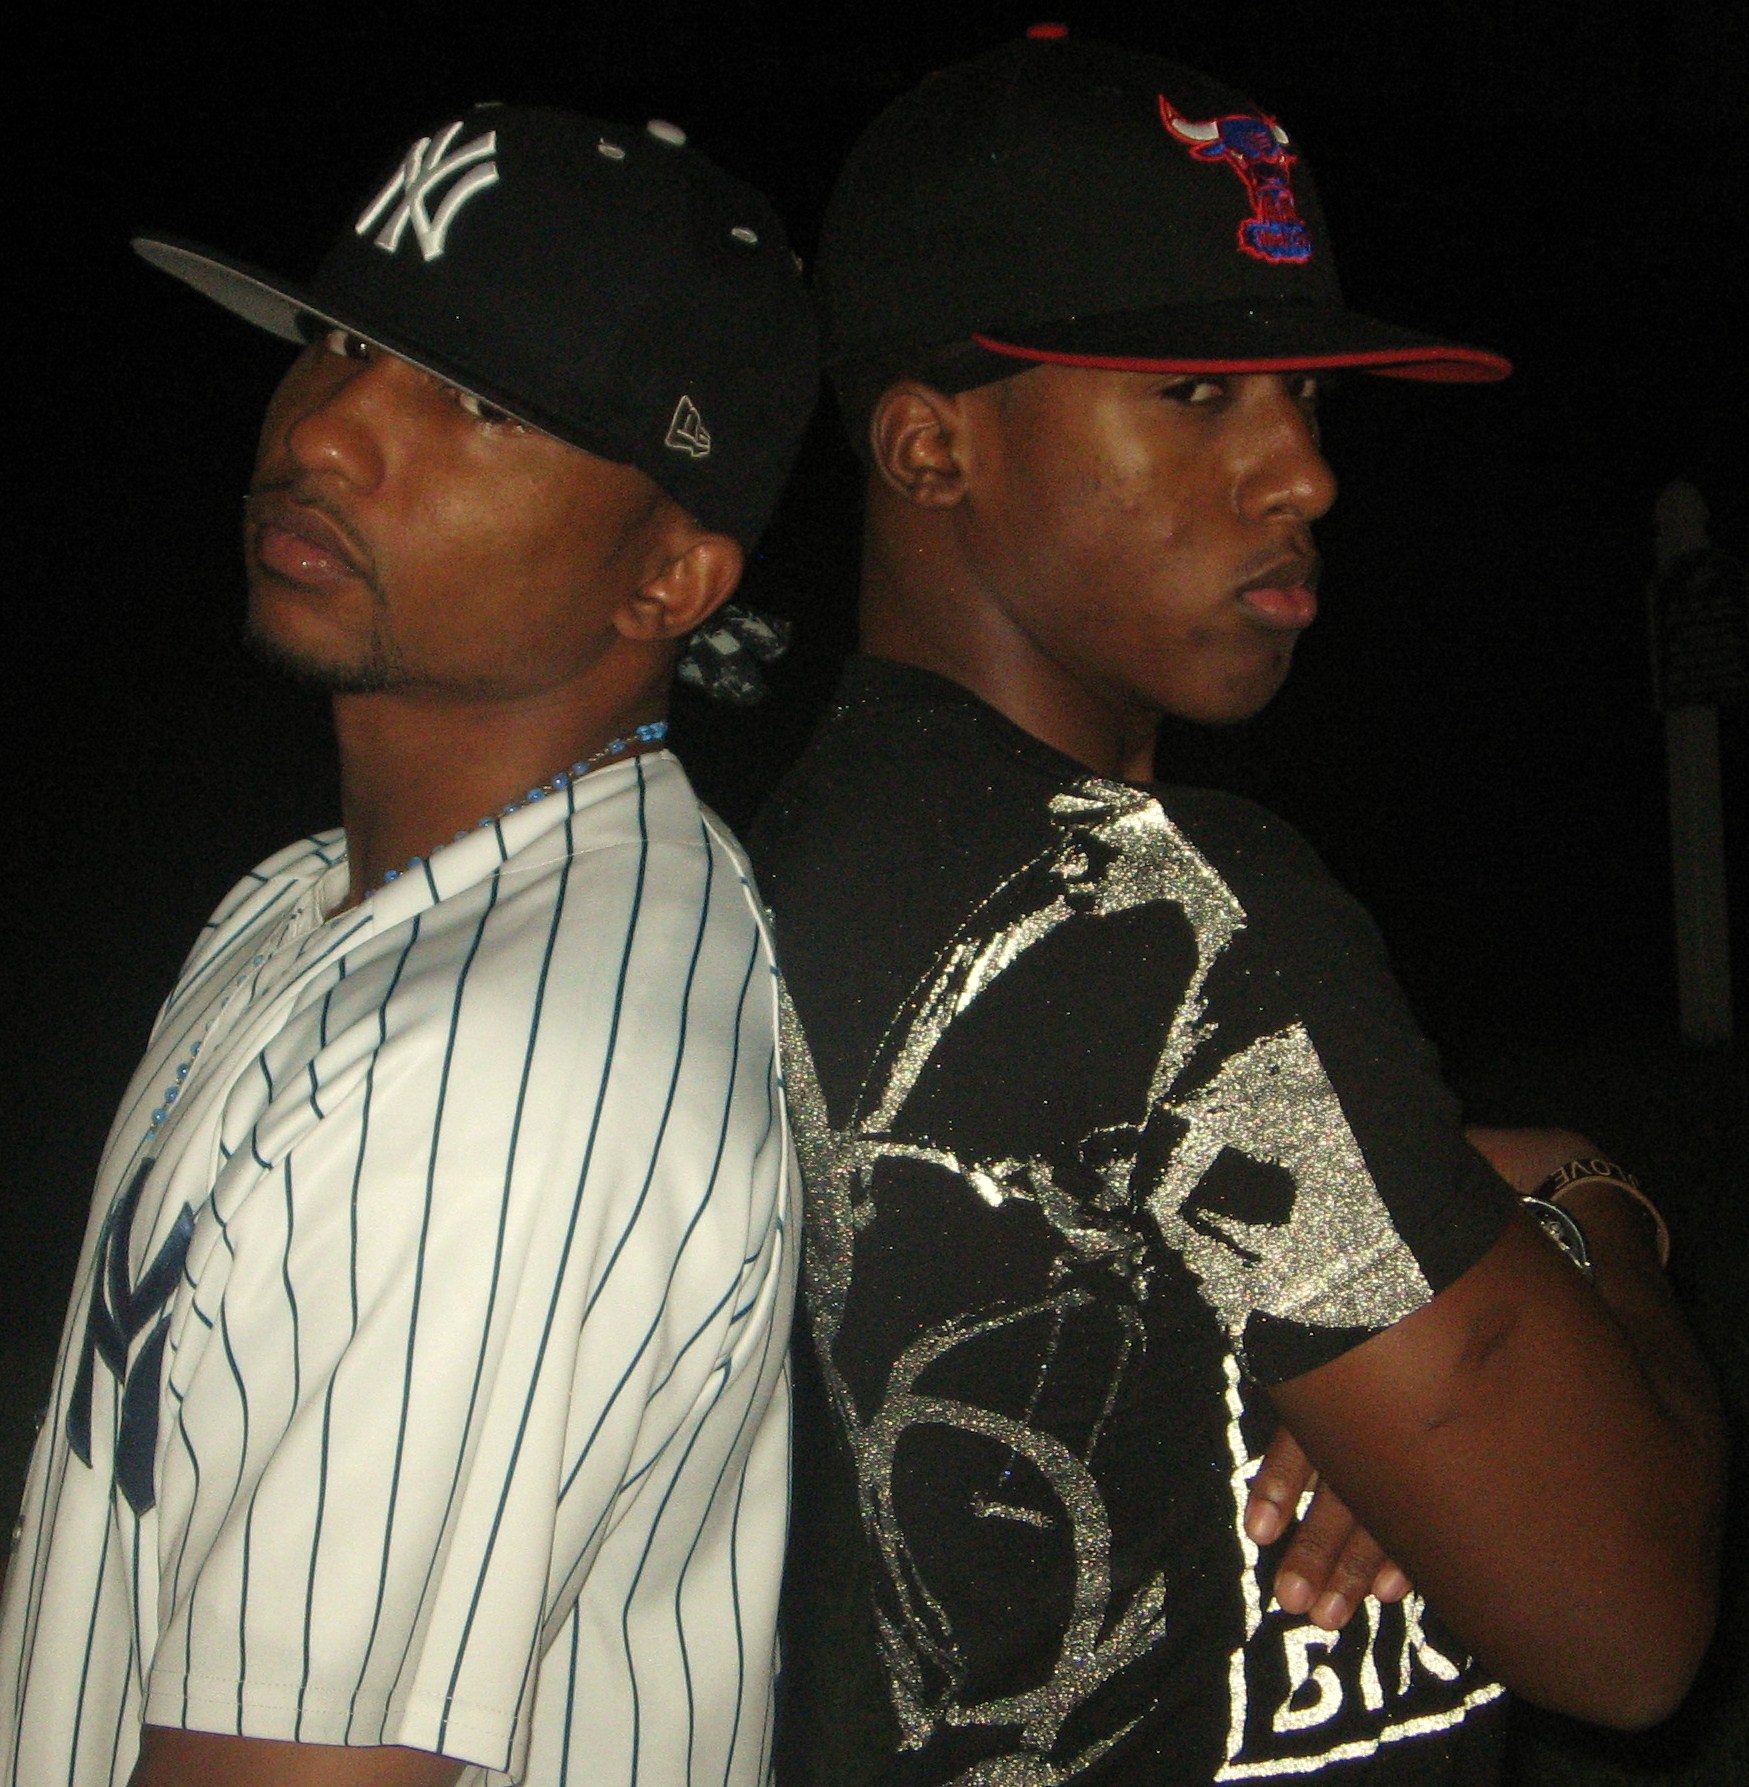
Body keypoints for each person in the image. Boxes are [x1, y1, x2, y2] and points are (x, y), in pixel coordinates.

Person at [749, 28, 1723, 1785]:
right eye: (1193, 393)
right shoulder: (1151, 917)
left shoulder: (779, 873)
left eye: (1306, 399)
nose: (1303, 474)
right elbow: (1625, 1621)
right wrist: (1592, 1211)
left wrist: (1388, 1364)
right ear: (928, 446)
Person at [0, 103, 816, 1787]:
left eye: (479, 403)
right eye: (341, 341)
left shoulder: (496, 1073)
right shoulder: (321, 900)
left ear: (669, 579)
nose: (328, 429)